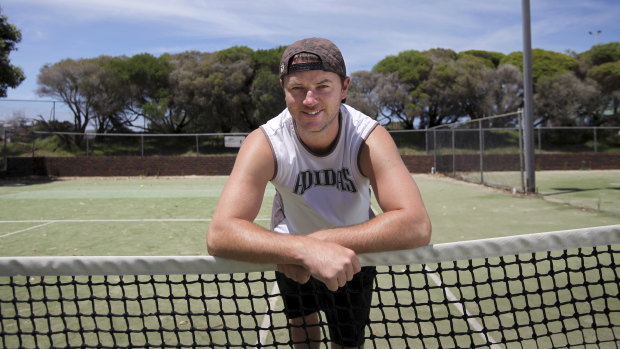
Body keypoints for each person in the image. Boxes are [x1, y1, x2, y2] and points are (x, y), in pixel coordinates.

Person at [207, 37, 431, 349]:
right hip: (291, 255)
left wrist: (319, 243)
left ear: (345, 88)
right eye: (297, 88)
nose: (309, 99)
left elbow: (416, 224)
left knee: (347, 344)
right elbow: (220, 234)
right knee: (304, 335)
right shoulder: (266, 142)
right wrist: (301, 250)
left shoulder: (368, 137)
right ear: (284, 89)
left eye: (323, 86)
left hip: (354, 257)